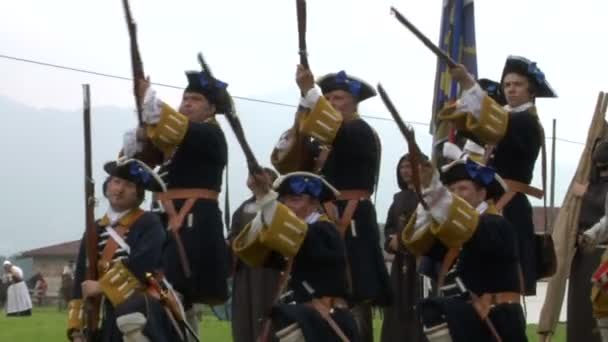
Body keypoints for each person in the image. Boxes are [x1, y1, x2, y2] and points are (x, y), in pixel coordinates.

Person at [123, 63, 232, 334]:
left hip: (195, 223)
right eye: (185, 98)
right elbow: (135, 164)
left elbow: (168, 124)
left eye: (196, 99)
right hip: (171, 221)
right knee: (168, 294)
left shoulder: (210, 134)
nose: (187, 104)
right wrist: (141, 133)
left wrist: (148, 97)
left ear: (211, 109)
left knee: (178, 292)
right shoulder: (179, 139)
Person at [441, 55, 557, 295]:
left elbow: (491, 121)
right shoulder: (507, 117)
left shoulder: (526, 120)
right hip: (493, 203)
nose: (511, 89)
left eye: (517, 84)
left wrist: (468, 84)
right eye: (507, 85)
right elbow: (476, 126)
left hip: (510, 203)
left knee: (508, 282)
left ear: (531, 90)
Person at [291, 66, 391, 341]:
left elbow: (336, 134)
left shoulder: (358, 131)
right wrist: (303, 101)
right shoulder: (330, 138)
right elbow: (293, 154)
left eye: (339, 99)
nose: (333, 104)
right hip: (327, 216)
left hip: (354, 216)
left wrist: (311, 92)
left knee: (357, 290)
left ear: (354, 102)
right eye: (329, 98)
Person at [401, 142, 526, 341]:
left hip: (498, 317)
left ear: (482, 194)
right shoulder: (458, 227)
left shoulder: (497, 224)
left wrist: (437, 195)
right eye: (452, 189)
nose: (456, 194)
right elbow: (419, 244)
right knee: (431, 310)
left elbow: (471, 229)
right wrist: (426, 206)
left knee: (435, 309)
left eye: (463, 189)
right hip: (471, 317)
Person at [233, 171, 361, 341]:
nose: (287, 205)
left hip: (325, 323)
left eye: (295, 199)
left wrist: (264, 196)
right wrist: (262, 202)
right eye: (285, 200)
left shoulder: (324, 230)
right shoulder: (295, 235)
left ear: (315, 203)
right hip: (307, 320)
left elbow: (298, 236)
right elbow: (257, 254)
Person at [67, 158, 181, 342]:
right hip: (108, 315)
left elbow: (144, 264)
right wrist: (76, 329)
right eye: (116, 182)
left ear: (139, 193)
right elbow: (82, 279)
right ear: (107, 185)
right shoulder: (95, 229)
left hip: (144, 310)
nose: (119, 189)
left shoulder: (149, 222)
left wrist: (102, 286)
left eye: (128, 185)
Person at [229, 167, 281, 342]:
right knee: (244, 320)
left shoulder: (279, 206)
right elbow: (233, 239)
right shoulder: (242, 209)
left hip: (270, 272)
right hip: (244, 274)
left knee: (268, 318)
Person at [380, 154, 426, 342]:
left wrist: (405, 240)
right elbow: (390, 226)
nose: (405, 171)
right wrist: (391, 240)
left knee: (419, 306)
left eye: (409, 166)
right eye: (402, 167)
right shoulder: (398, 199)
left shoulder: (428, 196)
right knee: (398, 308)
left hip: (421, 263)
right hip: (400, 265)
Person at [568, 140, 608, 341]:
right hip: (585, 256)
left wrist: (588, 194)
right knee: (583, 316)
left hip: (603, 256)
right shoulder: (592, 180)